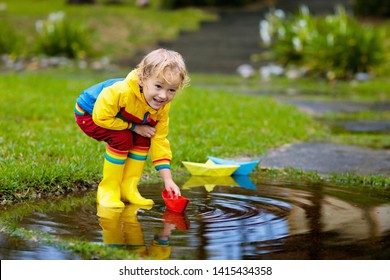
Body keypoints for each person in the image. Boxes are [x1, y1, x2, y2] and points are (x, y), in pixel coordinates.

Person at [74, 48, 190, 208]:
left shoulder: (162, 107)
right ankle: (108, 191)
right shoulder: (121, 91)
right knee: (122, 138)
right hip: (90, 114)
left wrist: (168, 180)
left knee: (146, 136)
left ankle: (128, 189)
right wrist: (133, 127)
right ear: (142, 80)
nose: (163, 96)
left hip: (123, 118)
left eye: (171, 90)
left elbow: (160, 140)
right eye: (158, 86)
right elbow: (101, 117)